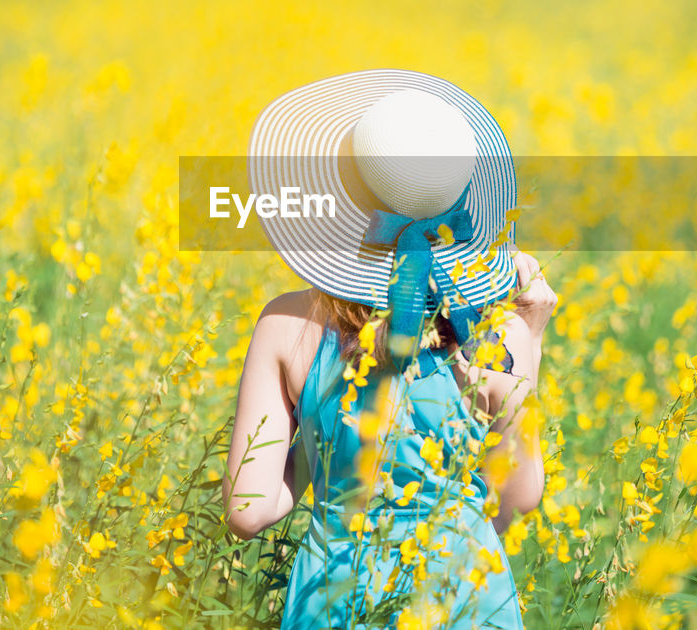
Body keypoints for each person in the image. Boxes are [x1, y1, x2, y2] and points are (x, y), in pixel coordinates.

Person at [222, 71, 556, 629]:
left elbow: (248, 511)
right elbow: (518, 498)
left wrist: (329, 440)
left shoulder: (287, 325)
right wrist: (533, 337)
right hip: (466, 598)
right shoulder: (497, 331)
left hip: (336, 598)